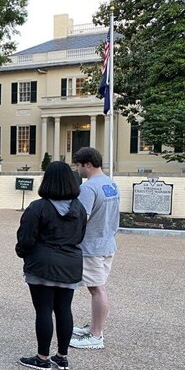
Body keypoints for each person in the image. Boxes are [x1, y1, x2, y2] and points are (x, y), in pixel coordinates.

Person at [16, 161, 87, 370]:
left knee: (44, 310)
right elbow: (80, 236)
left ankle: (42, 357)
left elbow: (26, 238)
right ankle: (62, 356)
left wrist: (23, 254)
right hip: (71, 264)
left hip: (43, 264)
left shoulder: (38, 207)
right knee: (64, 309)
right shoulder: (79, 208)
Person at [70, 147, 120, 349]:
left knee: (97, 289)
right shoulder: (111, 184)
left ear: (87, 164)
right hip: (108, 243)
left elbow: (83, 218)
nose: (77, 169)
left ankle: (96, 335)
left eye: (78, 165)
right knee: (98, 288)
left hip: (92, 246)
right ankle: (94, 328)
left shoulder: (88, 188)